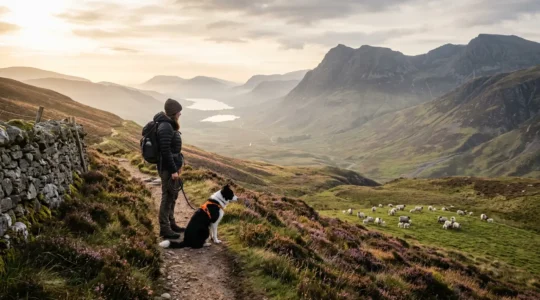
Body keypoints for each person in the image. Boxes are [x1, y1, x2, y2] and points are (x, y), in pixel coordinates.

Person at [154, 98, 184, 239]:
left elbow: (172, 149)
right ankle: (165, 229)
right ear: (173, 112)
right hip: (167, 169)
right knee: (167, 197)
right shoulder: (165, 127)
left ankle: (172, 224)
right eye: (179, 111)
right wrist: (173, 170)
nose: (180, 114)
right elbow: (165, 151)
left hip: (172, 167)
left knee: (172, 196)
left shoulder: (169, 125)